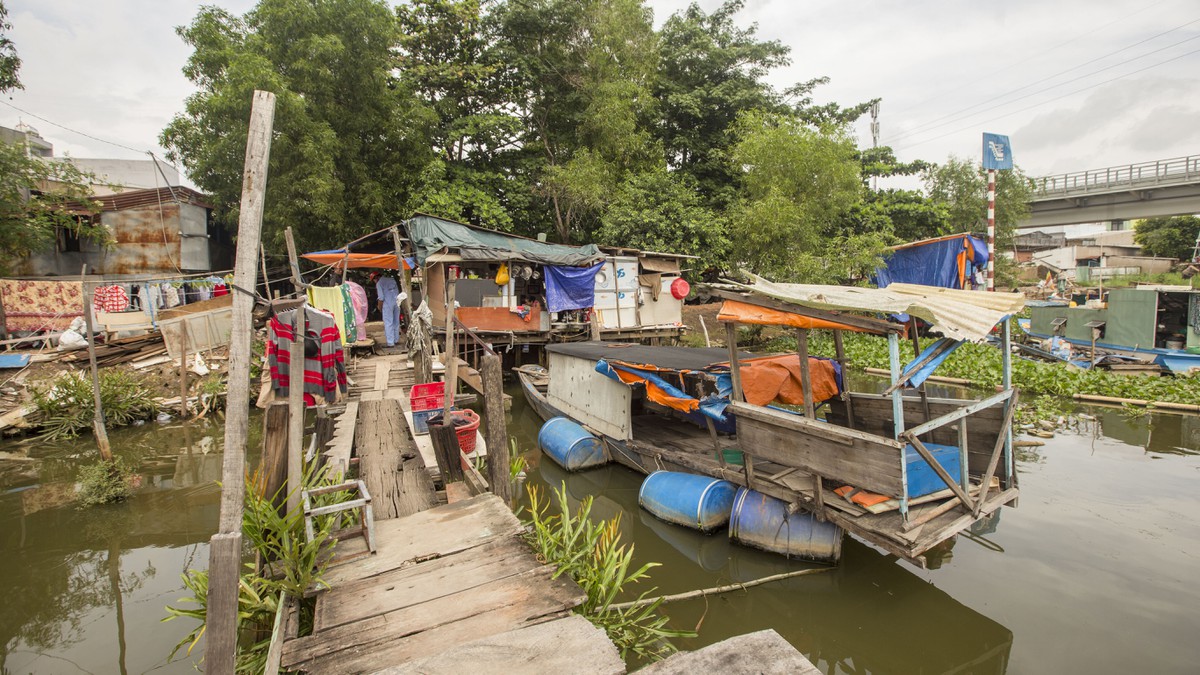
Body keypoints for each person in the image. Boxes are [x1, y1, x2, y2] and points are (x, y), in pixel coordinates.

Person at [374, 272, 404, 347]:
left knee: (388, 323)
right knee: (396, 322)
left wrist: (379, 308)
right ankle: (396, 340)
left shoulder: (379, 283)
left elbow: (381, 298)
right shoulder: (392, 280)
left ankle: (390, 343)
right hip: (397, 303)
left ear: (376, 278)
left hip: (387, 305)